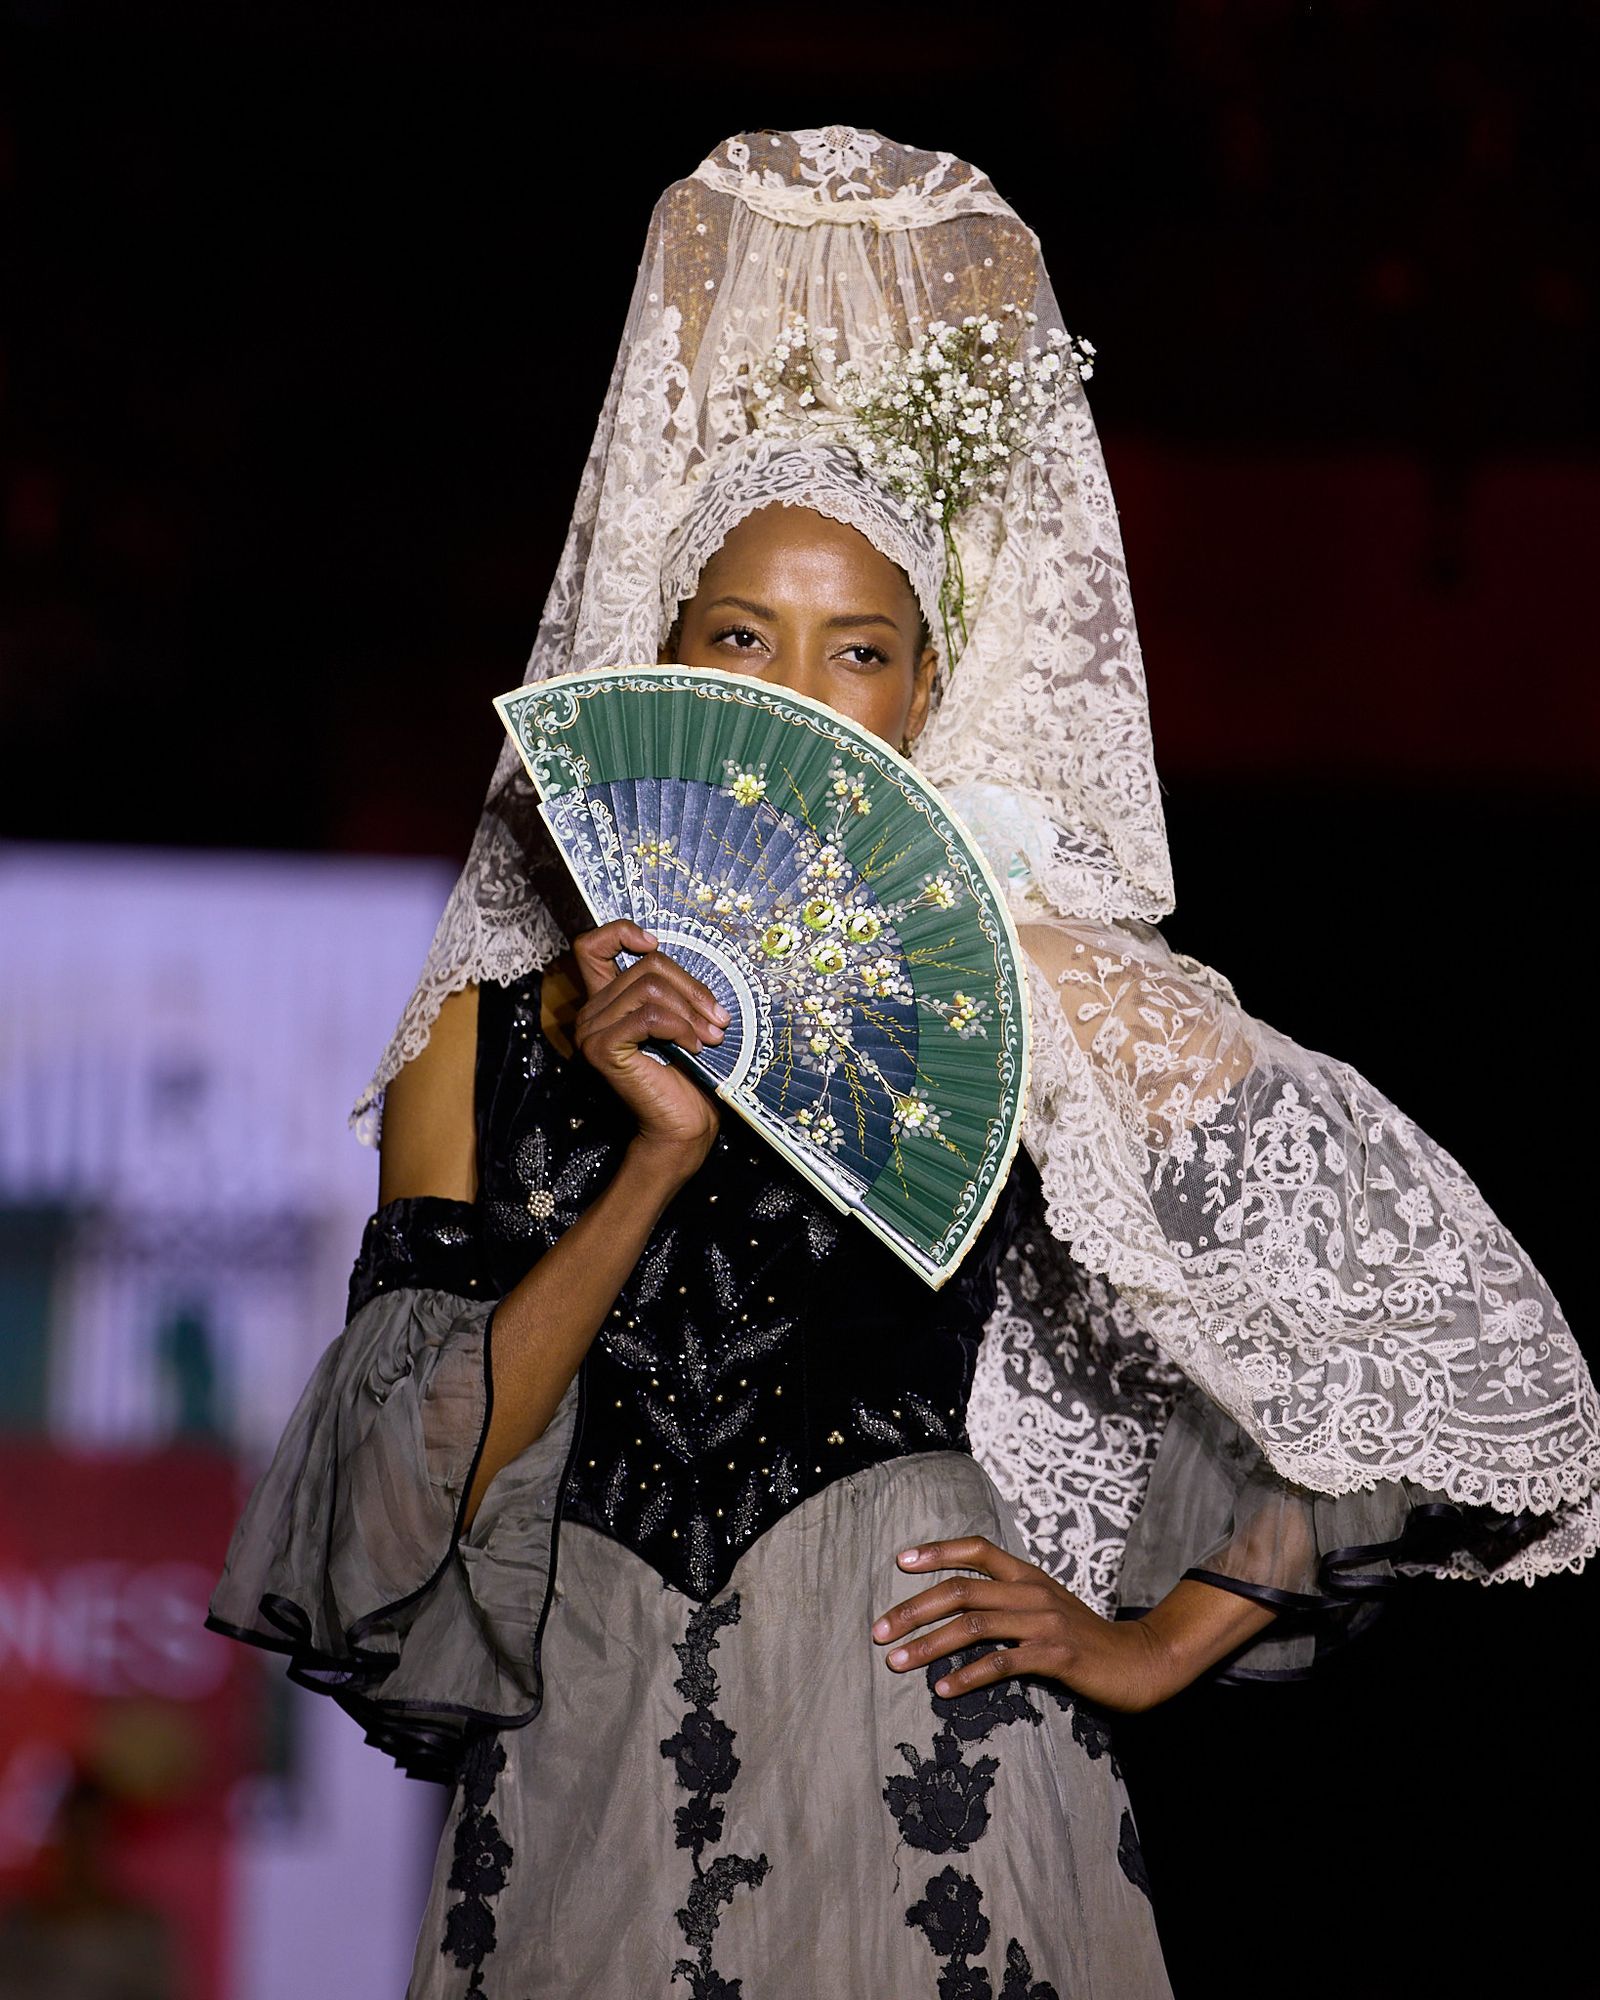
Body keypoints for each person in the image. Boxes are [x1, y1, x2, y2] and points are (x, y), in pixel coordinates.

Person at [204, 128, 1599, 1999]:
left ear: (923, 698)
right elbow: (406, 1510)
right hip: (591, 1734)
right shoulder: (485, 1031)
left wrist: (1151, 1640)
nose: (796, 694)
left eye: (857, 649)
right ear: (666, 660)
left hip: (922, 1716)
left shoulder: (1026, 991)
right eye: (738, 636)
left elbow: (1428, 1352)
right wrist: (650, 1162)